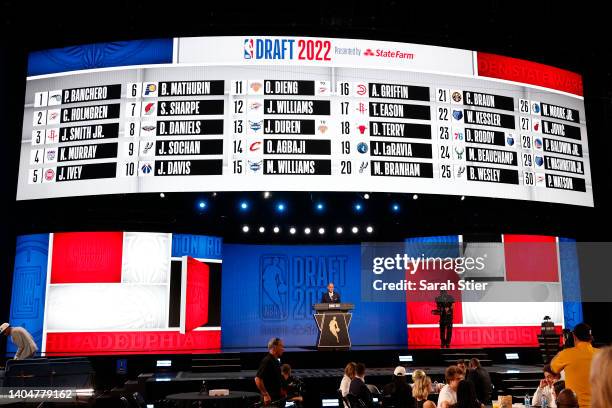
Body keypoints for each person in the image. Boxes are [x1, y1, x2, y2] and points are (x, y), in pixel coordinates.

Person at [551, 323, 599, 408]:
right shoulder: (601, 354)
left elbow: (553, 367)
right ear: (590, 337)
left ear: (574, 336)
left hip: (574, 405)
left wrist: (564, 349)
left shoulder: (566, 354)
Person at [255, 337, 285, 406]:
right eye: (281, 346)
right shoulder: (267, 361)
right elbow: (257, 379)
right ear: (274, 347)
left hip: (277, 399)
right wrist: (265, 395)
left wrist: (281, 390)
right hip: (270, 399)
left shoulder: (276, 361)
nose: (283, 349)